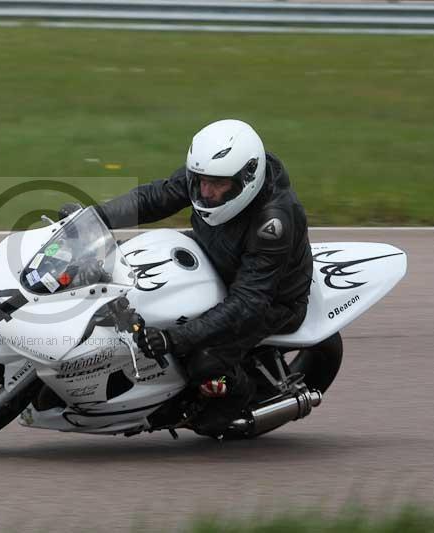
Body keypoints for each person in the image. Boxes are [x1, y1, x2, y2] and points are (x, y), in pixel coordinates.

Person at [79, 119, 313, 433]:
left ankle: (235, 401)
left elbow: (247, 303)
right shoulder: (210, 177)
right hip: (215, 255)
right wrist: (95, 218)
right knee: (125, 263)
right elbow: (155, 197)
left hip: (272, 299)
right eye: (200, 180)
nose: (205, 190)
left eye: (216, 184)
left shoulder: (273, 221)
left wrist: (173, 339)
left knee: (202, 358)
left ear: (247, 178)